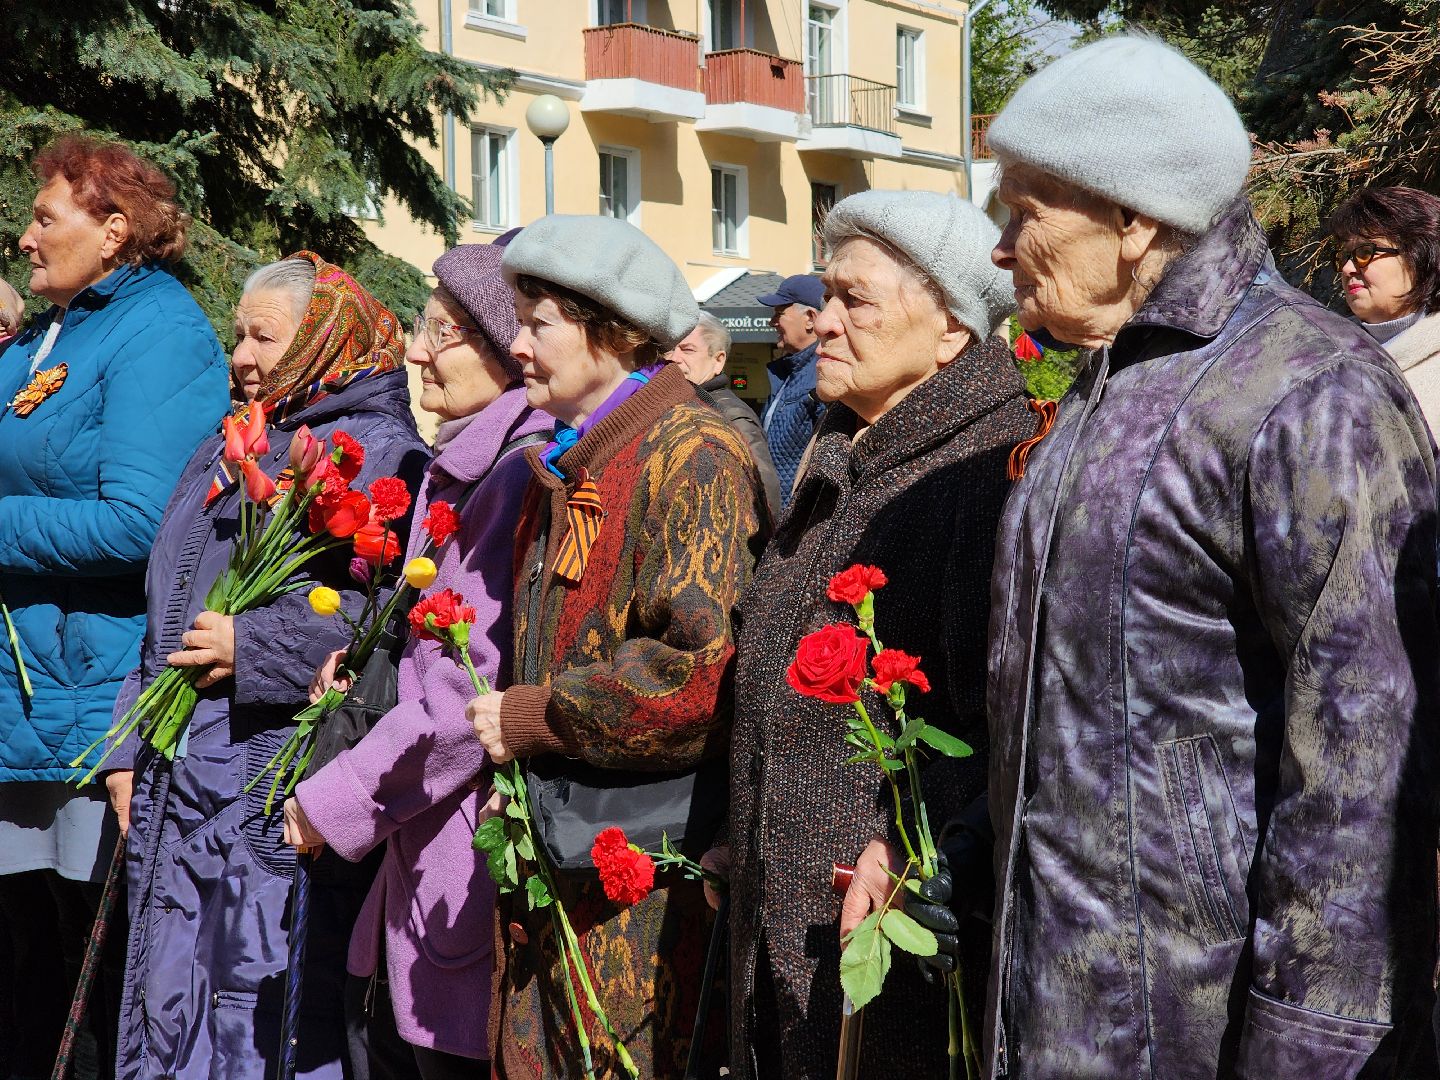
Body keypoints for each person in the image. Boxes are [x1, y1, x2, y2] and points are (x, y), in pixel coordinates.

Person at [977, 36, 1439, 1078]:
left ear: (1132, 218)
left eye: (1025, 211)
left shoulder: (1311, 390)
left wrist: (1313, 1046)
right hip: (1062, 1010)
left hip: (1202, 1027)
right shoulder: (1111, 380)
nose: (1000, 249)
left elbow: (1366, 765)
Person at [713, 190, 1031, 1080]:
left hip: (888, 931)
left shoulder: (983, 471)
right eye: (828, 296)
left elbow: (999, 721)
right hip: (790, 910)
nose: (825, 322)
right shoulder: (849, 447)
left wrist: (909, 847)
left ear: (951, 330)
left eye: (857, 301)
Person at [110, 253, 429, 1080]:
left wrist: (249, 645)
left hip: (263, 777)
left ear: (325, 339)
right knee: (168, 1000)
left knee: (249, 1010)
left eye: (264, 338)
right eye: (238, 336)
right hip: (178, 771)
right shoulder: (231, 443)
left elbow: (374, 617)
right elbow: (163, 609)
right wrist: (124, 744)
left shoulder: (379, 454)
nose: (241, 357)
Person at [466, 214, 767, 1079]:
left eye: (540, 324)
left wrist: (533, 717)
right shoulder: (570, 463)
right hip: (562, 858)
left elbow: (698, 673)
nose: (517, 345)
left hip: (642, 885)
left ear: (619, 331)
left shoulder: (694, 454)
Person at [283, 242, 550, 1079]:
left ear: (507, 349)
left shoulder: (509, 476)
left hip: (459, 865)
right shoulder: (467, 461)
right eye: (422, 325)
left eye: (443, 331)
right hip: (425, 854)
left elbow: (465, 696)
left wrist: (334, 799)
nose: (416, 350)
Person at [0, 134, 230, 1080]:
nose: (23, 238)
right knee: (21, 978)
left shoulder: (160, 333)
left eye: (44, 218)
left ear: (114, 230)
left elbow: (142, 523)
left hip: (94, 705)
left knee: (86, 991)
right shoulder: (53, 330)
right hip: (23, 699)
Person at [1328, 185, 1440, 430]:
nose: (1347, 269)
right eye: (1345, 256)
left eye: (1364, 252)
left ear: (1419, 255)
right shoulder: (1323, 355)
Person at [670, 311, 782, 515]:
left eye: (687, 350)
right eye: (670, 349)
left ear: (718, 360)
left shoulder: (732, 415)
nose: (674, 358)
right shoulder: (676, 404)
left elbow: (766, 493)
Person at [757, 273, 825, 505]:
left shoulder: (823, 377)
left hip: (798, 516)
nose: (772, 322)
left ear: (810, 319)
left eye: (780, 313)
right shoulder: (787, 373)